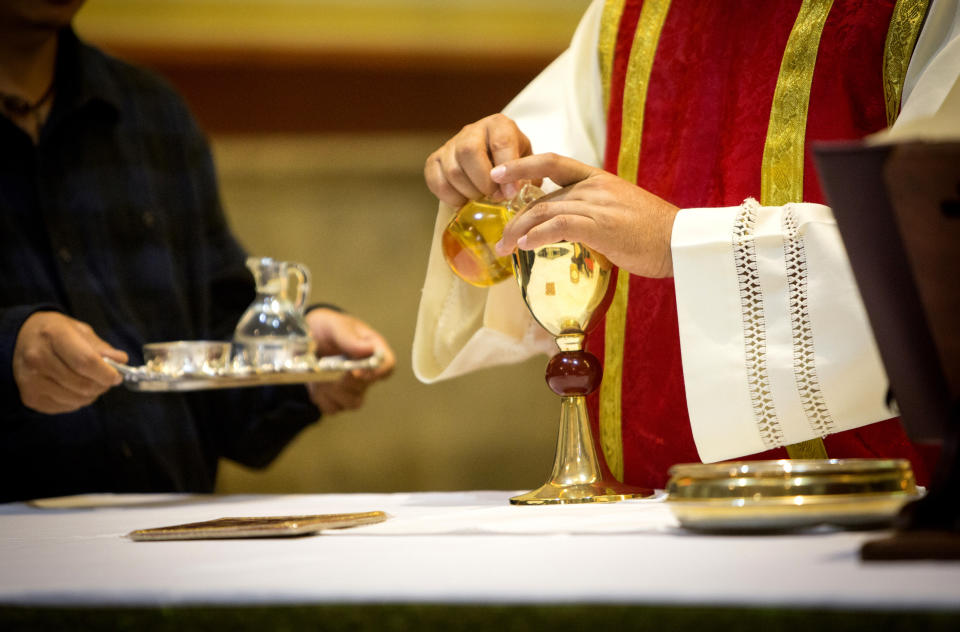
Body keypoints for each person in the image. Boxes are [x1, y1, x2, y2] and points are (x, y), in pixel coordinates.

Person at [414, 0, 960, 488]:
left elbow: (937, 263)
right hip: (642, 499)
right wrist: (484, 170)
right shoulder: (626, 13)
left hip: (872, 507)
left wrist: (680, 241)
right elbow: (532, 191)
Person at [0, 0, 395, 502]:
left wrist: (298, 363)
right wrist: (8, 350)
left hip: (167, 543)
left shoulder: (150, 115)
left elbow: (218, 371)